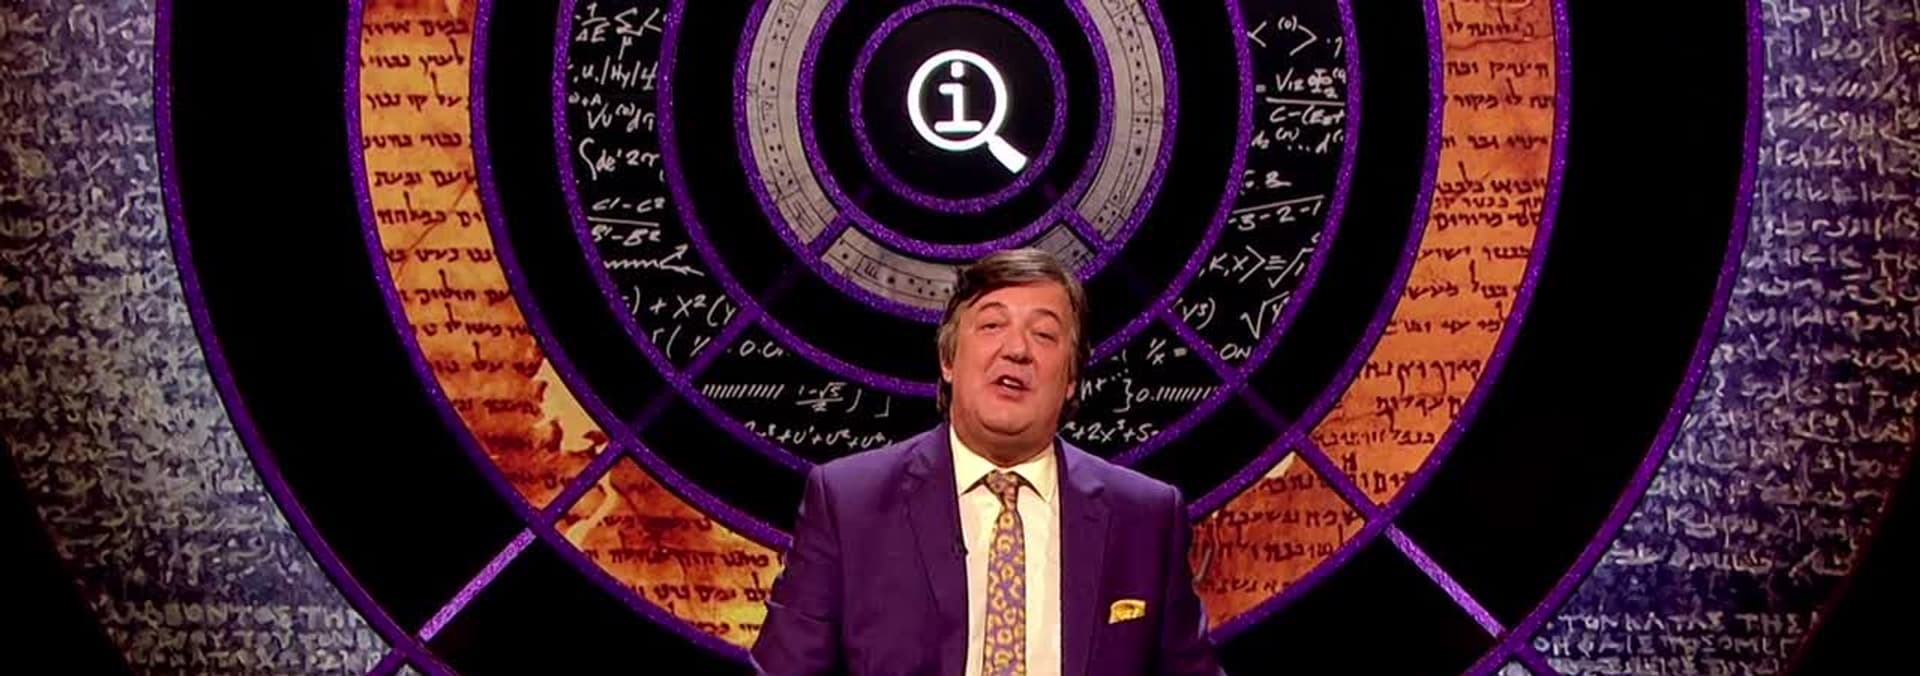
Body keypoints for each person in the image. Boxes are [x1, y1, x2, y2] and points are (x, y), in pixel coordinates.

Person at [751, 248, 1226, 675]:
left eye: (1044, 334)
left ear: (1071, 380)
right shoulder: (849, 503)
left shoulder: (1145, 517)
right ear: (949, 360)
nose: (1017, 350)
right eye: (992, 325)